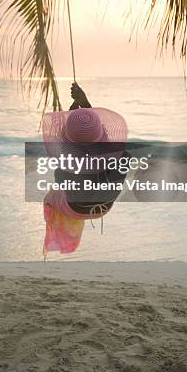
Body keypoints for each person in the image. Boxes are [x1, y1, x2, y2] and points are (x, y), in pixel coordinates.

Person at [42, 83, 128, 256]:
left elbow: (62, 175)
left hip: (76, 209)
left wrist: (71, 122)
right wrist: (86, 106)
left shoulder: (69, 161)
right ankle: (67, 237)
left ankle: (62, 240)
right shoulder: (121, 155)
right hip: (104, 207)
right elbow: (103, 141)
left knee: (51, 195)